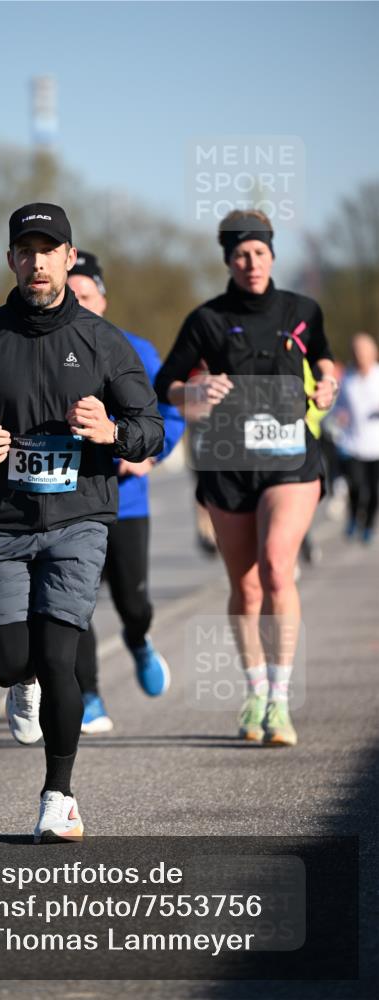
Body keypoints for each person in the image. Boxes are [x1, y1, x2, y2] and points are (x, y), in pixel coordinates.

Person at [0, 203, 164, 842]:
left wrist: (112, 431)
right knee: (9, 660)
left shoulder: (103, 341)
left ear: (68, 256)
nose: (37, 261)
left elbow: (151, 430)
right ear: (11, 260)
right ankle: (18, 680)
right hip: (2, 523)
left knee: (64, 657)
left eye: (48, 248)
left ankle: (58, 795)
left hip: (79, 518)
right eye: (25, 250)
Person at [155, 210, 337, 748]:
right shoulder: (207, 320)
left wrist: (325, 385)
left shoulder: (301, 310)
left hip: (289, 459)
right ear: (228, 260)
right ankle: (255, 690)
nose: (251, 262)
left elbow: (323, 358)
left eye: (259, 252)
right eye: (240, 254)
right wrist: (194, 394)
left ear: (272, 255)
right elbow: (167, 383)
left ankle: (280, 700)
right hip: (229, 461)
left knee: (279, 569)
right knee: (246, 584)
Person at [66, 250, 184, 733]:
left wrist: (148, 455)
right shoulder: (46, 348)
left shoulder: (135, 349)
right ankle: (90, 694)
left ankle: (138, 640)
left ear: (103, 299)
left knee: (133, 604)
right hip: (69, 501)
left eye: (85, 296)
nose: (77, 303)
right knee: (75, 604)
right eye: (69, 295)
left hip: (126, 502)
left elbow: (168, 415)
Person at [334, 332, 379, 543]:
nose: (360, 355)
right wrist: (339, 415)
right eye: (356, 351)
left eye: (364, 351)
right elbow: (337, 407)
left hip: (376, 445)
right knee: (356, 486)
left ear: (373, 353)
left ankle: (368, 525)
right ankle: (353, 518)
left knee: (374, 491)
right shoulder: (347, 379)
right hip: (353, 443)